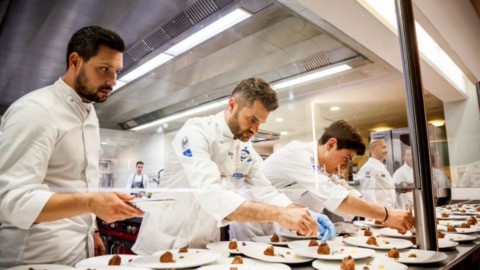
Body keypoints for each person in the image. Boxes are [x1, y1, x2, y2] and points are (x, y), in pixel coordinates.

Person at [132, 77, 335, 254]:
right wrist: (282, 215)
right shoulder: (196, 131)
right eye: (252, 119)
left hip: (202, 247)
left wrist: (304, 214)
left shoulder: (245, 149)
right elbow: (211, 195)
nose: (255, 129)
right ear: (232, 105)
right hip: (163, 243)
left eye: (260, 123)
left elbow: (266, 192)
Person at [0, 26, 143, 267]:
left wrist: (93, 232)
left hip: (78, 253)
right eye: (104, 69)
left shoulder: (89, 114)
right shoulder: (36, 111)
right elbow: (12, 201)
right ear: (75, 61)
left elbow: (77, 182)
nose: (113, 81)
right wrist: (91, 202)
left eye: (117, 71)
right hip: (33, 258)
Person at [230, 120, 414, 240]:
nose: (345, 168)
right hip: (252, 222)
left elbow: (346, 191)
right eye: (346, 159)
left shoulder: (324, 168)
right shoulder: (299, 154)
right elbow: (339, 200)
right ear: (331, 144)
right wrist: (387, 215)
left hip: (278, 221)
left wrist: (385, 217)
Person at [357, 139, 397, 209]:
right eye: (383, 147)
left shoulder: (381, 167)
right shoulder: (368, 168)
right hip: (380, 215)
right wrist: (376, 215)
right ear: (373, 149)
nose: (386, 151)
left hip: (389, 212)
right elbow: (368, 194)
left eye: (386, 147)